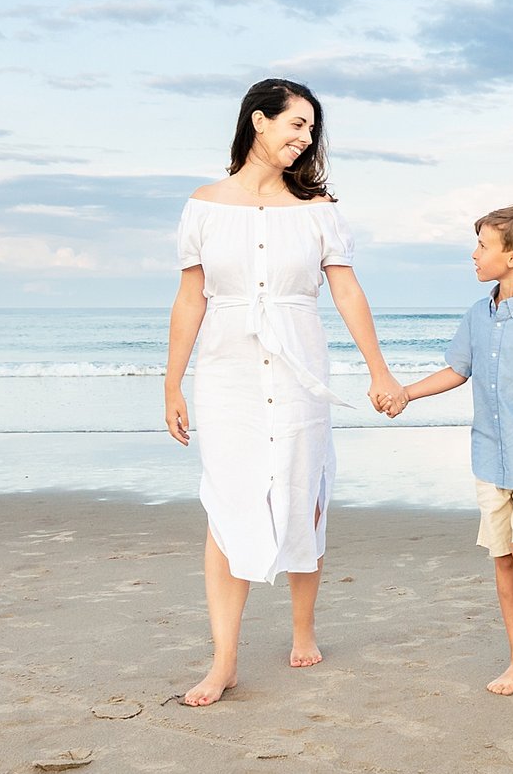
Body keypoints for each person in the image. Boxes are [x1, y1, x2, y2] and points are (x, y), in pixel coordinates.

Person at [163, 78, 406, 707]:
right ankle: (224, 661)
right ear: (258, 121)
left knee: (303, 492)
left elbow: (347, 292)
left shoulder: (320, 210)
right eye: (296, 125)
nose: (305, 139)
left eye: (310, 130)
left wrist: (379, 370)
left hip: (300, 370)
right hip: (227, 375)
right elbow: (191, 298)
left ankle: (303, 627)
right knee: (226, 503)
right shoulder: (204, 205)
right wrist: (173, 382)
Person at [387, 205, 513, 695]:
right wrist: (405, 393)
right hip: (488, 454)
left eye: (482, 246)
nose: (474, 255)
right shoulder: (478, 315)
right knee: (502, 557)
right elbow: (457, 371)